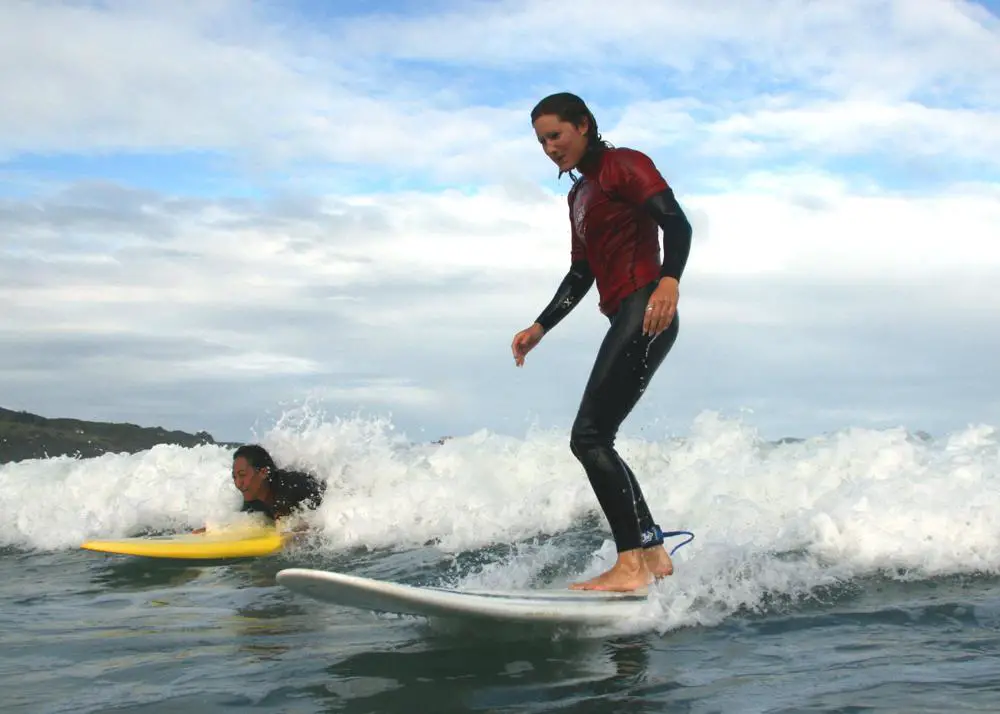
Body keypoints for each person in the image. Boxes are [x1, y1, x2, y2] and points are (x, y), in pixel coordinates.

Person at [511, 92, 692, 592]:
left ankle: (631, 564)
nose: (550, 147)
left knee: (587, 438)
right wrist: (540, 326)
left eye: (556, 135)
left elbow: (675, 221)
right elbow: (581, 271)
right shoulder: (579, 196)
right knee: (597, 438)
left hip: (646, 307)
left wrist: (670, 280)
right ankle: (651, 551)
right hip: (626, 314)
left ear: (584, 125)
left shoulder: (623, 166)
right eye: (542, 140)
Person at [230, 443, 326, 522]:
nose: (238, 484)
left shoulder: (288, 489)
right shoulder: (252, 499)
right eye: (234, 477)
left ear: (263, 472)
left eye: (242, 475)